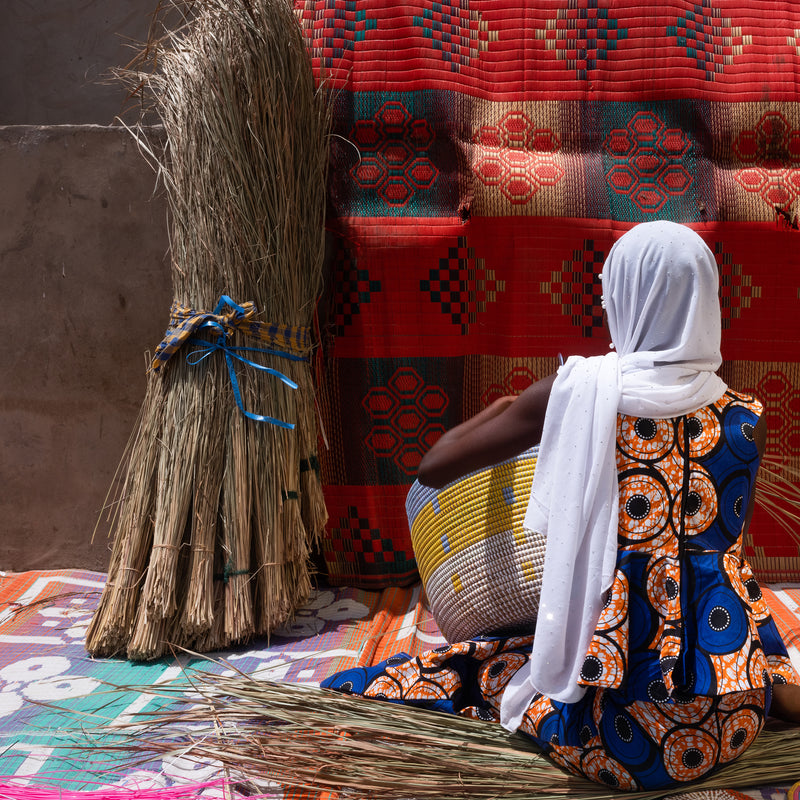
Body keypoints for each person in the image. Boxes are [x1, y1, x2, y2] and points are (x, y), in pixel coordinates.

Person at [323, 221, 800, 790]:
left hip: (625, 747)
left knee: (489, 667)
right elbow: (716, 568)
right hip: (732, 722)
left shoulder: (578, 390)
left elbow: (434, 465)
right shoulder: (747, 417)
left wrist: (507, 406)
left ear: (627, 298)